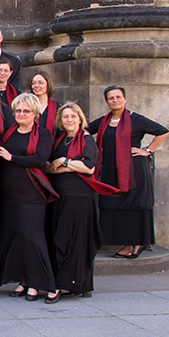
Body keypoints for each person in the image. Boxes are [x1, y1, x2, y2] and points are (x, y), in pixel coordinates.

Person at [86, 86, 169, 258]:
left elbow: (162, 131)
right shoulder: (103, 122)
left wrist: (148, 150)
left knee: (133, 206)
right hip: (110, 170)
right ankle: (126, 244)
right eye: (111, 98)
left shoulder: (136, 119)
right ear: (107, 102)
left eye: (118, 97)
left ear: (125, 99)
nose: (115, 100)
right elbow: (85, 131)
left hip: (133, 170)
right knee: (114, 205)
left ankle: (137, 244)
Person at [45, 102, 112, 302]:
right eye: (65, 117)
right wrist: (70, 165)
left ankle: (69, 284)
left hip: (80, 196)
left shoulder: (86, 139)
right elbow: (49, 166)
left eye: (73, 116)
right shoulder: (59, 140)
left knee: (75, 240)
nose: (69, 120)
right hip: (59, 195)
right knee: (59, 237)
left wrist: (65, 163)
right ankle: (71, 283)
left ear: (80, 118)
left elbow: (89, 167)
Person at [0, 93, 58, 301]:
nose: (21, 114)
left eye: (26, 111)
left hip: (31, 194)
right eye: (18, 111)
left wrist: (11, 157)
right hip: (10, 194)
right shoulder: (11, 132)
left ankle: (39, 284)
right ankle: (24, 281)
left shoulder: (43, 134)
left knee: (33, 239)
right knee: (18, 239)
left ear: (35, 113)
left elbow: (40, 159)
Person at [31, 72, 58, 137]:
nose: (36, 85)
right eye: (33, 83)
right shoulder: (26, 107)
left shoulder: (58, 108)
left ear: (48, 84)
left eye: (40, 82)